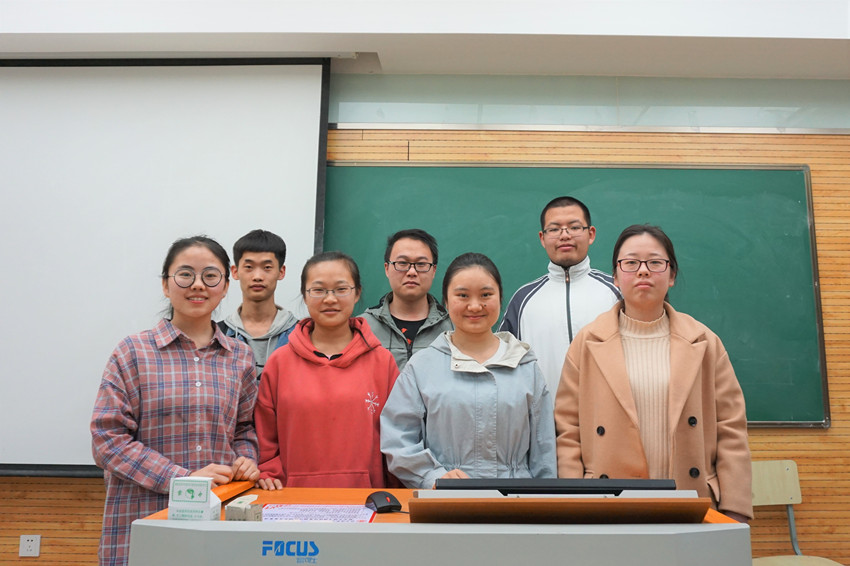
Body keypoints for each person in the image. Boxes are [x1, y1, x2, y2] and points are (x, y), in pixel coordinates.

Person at [554, 224, 752, 522]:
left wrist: (735, 506)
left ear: (671, 275)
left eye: (655, 262)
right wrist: (576, 500)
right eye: (631, 263)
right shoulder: (588, 342)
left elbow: (731, 428)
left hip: (692, 501)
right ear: (616, 276)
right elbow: (568, 430)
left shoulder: (704, 341)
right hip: (606, 503)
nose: (643, 271)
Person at [91, 236, 260, 566]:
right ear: (166, 285)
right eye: (185, 274)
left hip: (217, 524)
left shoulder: (240, 357)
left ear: (226, 286)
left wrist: (246, 460)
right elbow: (107, 440)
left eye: (210, 276)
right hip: (144, 519)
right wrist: (180, 480)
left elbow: (244, 429)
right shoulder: (132, 352)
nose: (198, 284)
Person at [381, 252, 556, 488]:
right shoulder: (422, 367)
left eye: (486, 295)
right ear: (445, 301)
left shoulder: (525, 366)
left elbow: (544, 450)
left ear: (500, 298)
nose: (474, 306)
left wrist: (544, 500)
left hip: (516, 501)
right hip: (447, 500)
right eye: (462, 295)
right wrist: (433, 476)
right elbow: (398, 439)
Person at [254, 251, 399, 489]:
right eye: (318, 290)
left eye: (341, 289)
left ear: (357, 293)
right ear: (304, 295)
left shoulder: (382, 362)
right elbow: (265, 437)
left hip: (365, 500)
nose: (330, 299)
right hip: (291, 500)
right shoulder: (280, 362)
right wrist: (268, 472)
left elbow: (398, 436)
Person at [500, 196, 620, 394]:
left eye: (574, 227)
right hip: (544, 413)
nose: (565, 235)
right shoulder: (523, 300)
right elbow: (503, 370)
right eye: (554, 229)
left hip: (607, 412)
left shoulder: (618, 292)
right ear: (542, 238)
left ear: (591, 234)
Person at [360, 228, 453, 370]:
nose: (412, 272)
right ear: (387, 268)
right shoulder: (362, 327)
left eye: (421, 264)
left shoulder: (452, 328)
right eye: (402, 263)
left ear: (433, 270)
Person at [218, 229, 298, 379]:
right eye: (249, 267)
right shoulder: (218, 335)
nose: (257, 276)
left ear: (281, 272)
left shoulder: (301, 335)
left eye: (267, 268)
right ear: (235, 272)